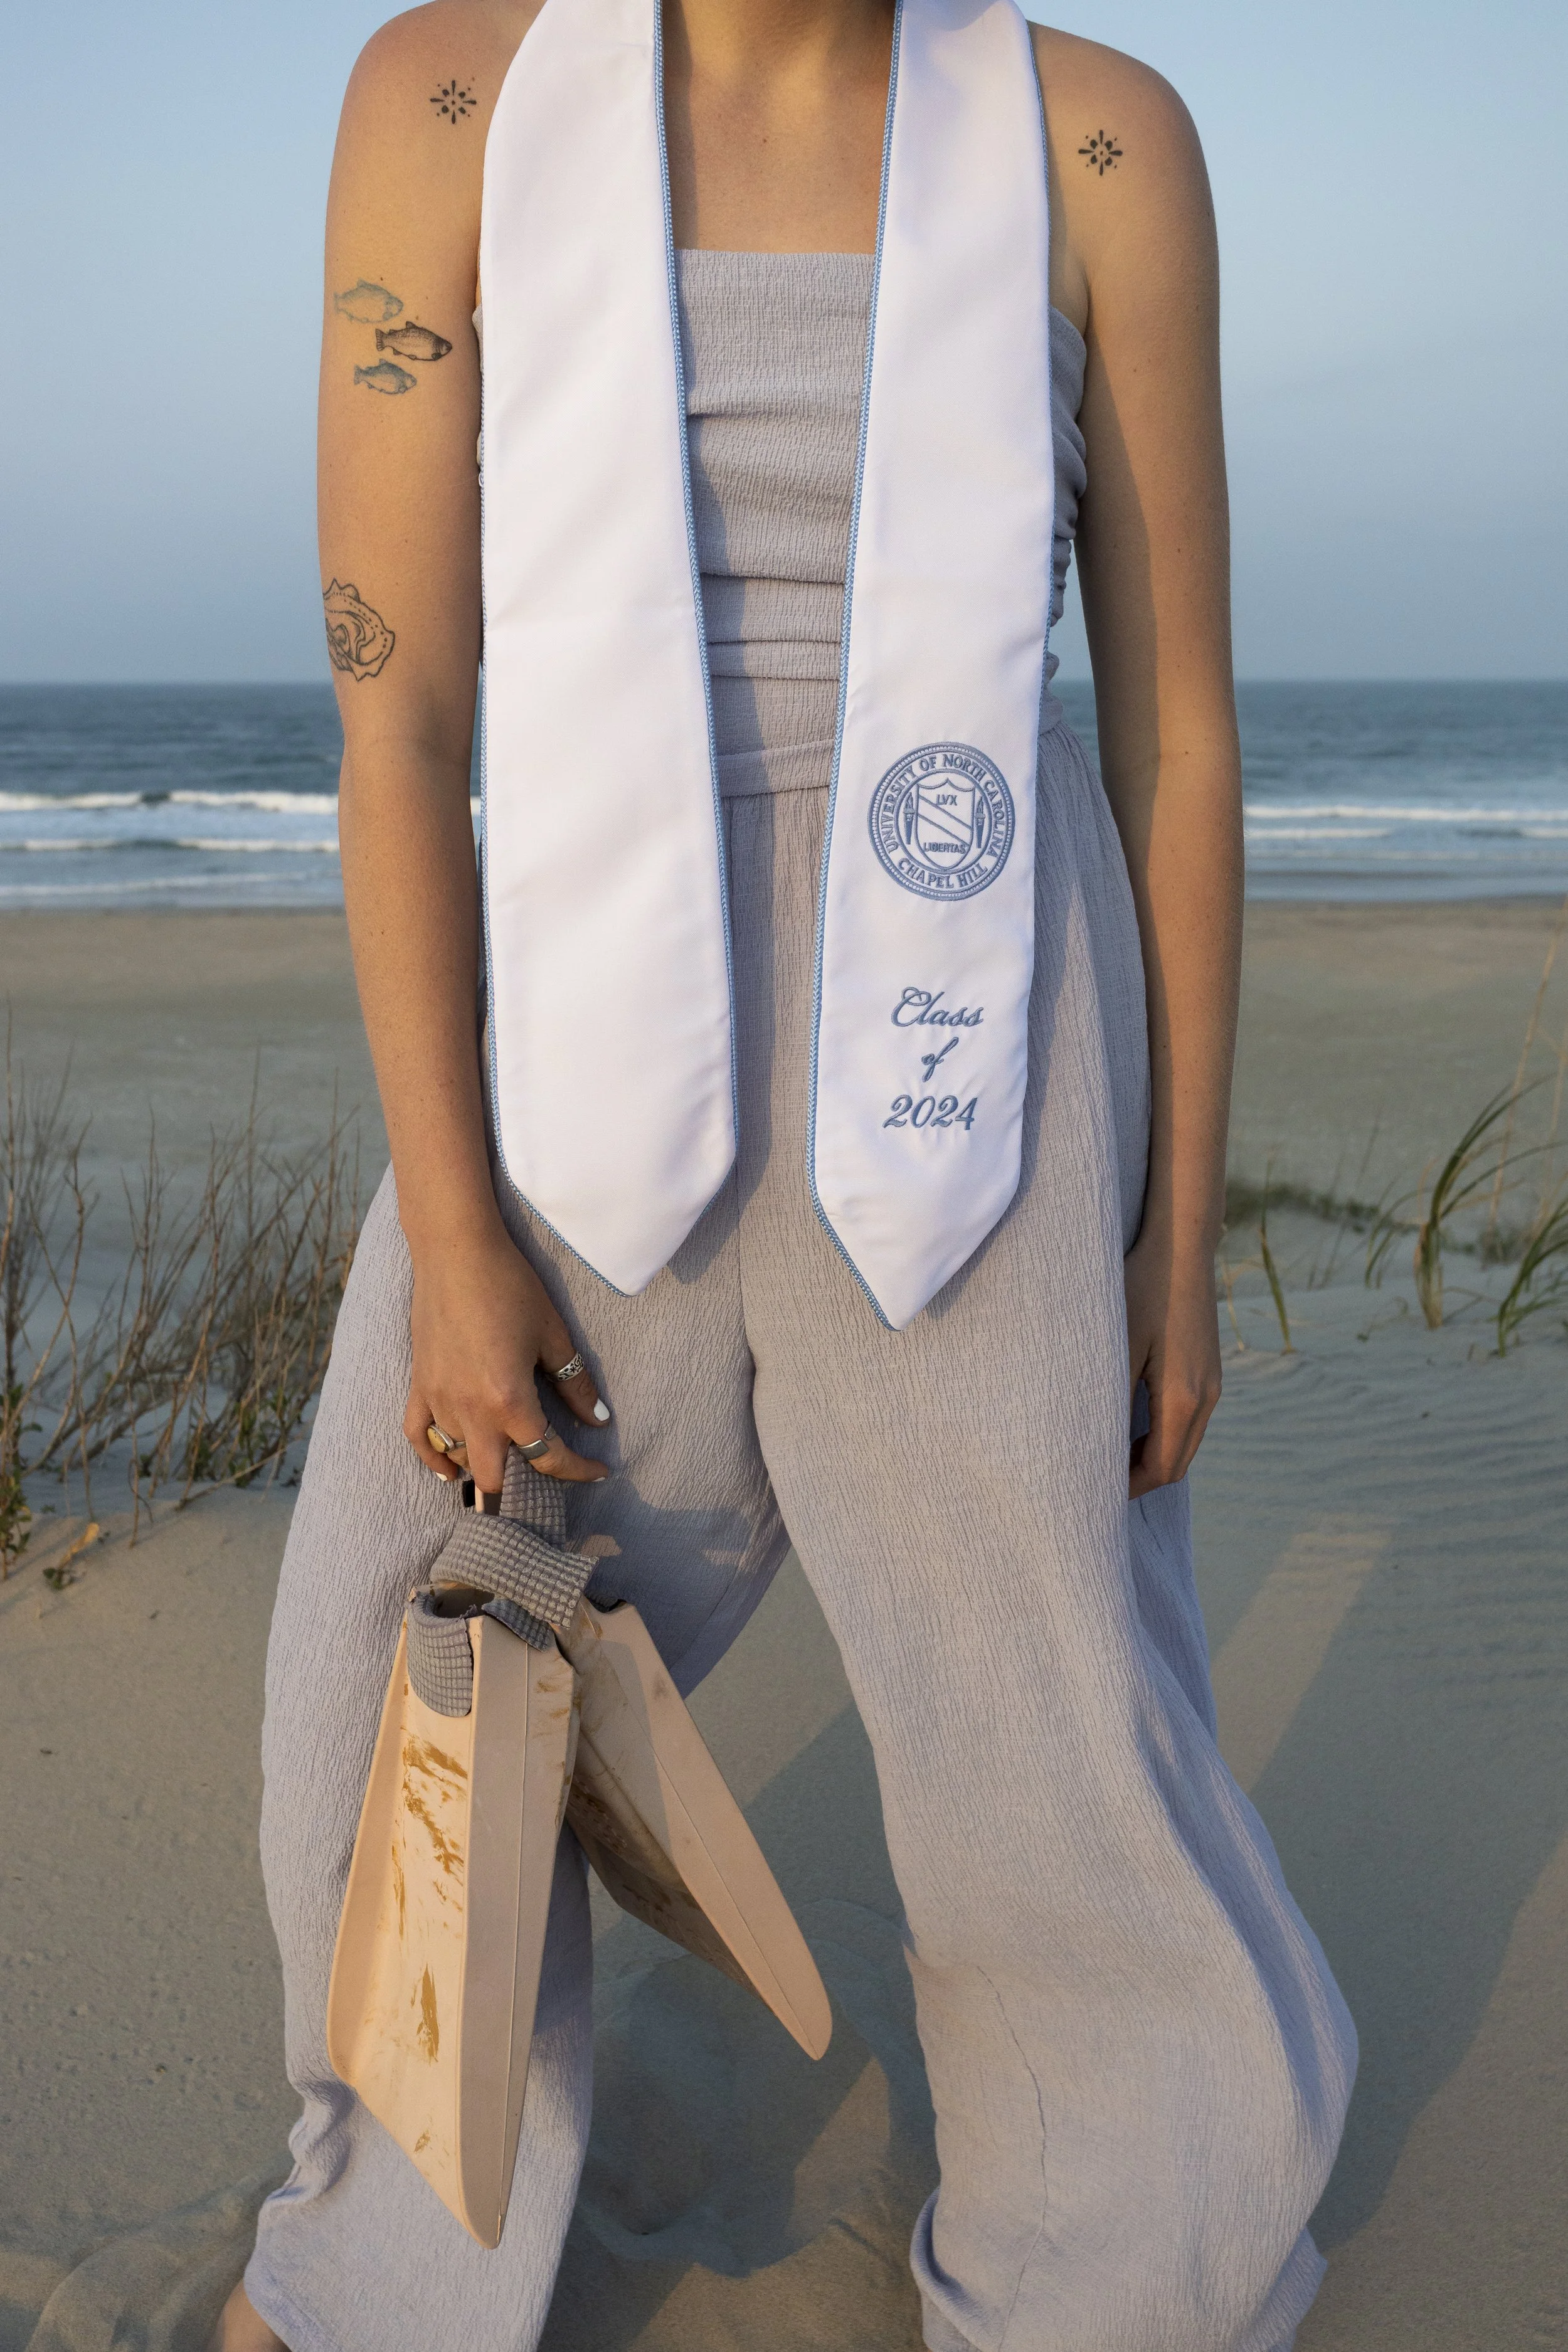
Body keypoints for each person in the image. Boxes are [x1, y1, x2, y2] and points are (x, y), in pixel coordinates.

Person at [216, 0, 1355, 2344]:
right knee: (390, 1676)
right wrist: (446, 1222)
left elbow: (1175, 722)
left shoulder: (1094, 141)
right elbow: (400, 710)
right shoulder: (448, 96)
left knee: (1035, 1720)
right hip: (585, 1010)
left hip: (975, 1027)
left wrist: (1175, 1233)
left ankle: (1107, 2279)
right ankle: (382, 2282)